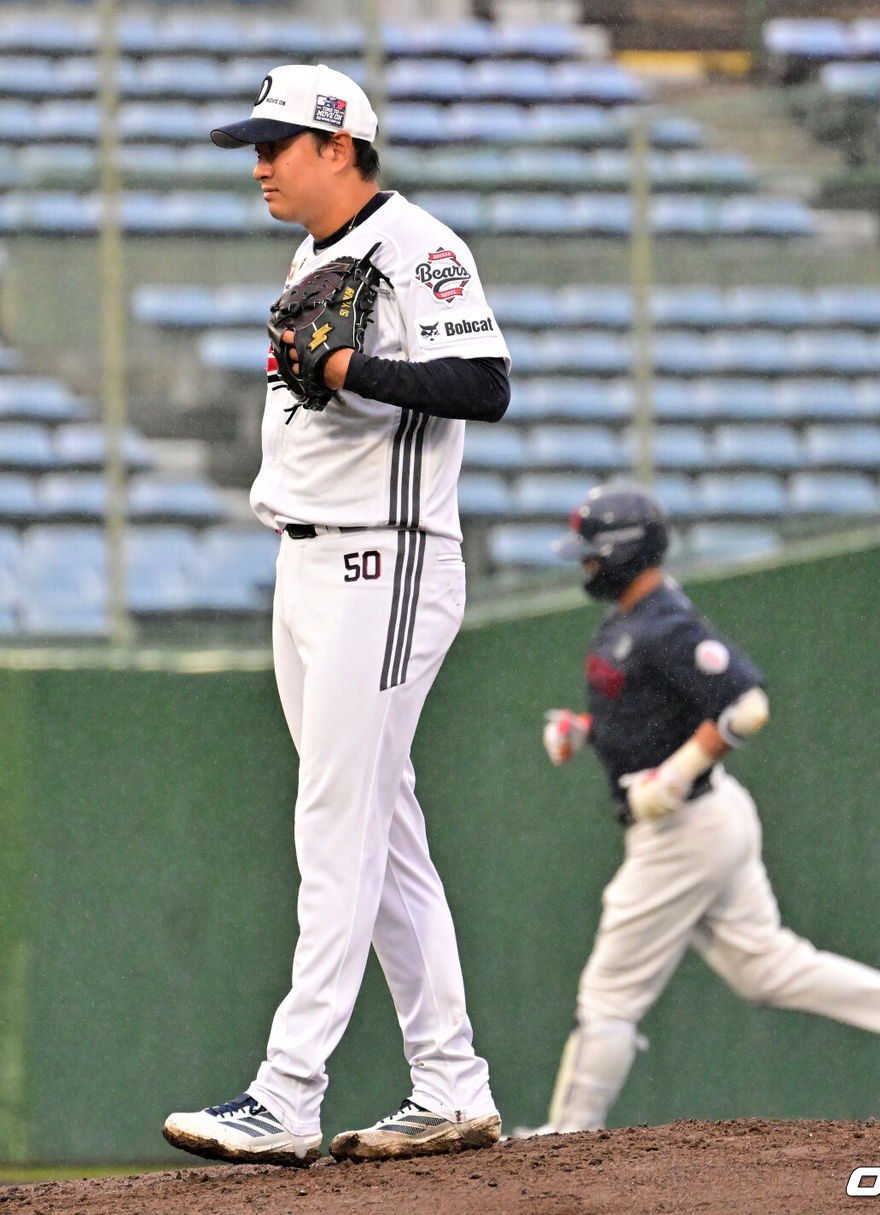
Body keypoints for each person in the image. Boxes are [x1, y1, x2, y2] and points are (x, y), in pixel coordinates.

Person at [162, 63, 510, 1168]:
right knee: (382, 830)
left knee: (337, 825)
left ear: (338, 145)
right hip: (307, 561)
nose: (259, 164)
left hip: (385, 558)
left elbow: (486, 385)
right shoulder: (309, 253)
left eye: (275, 144)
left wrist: (358, 361)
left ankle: (288, 1092)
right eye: (251, 146)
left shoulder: (418, 245)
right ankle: (451, 1085)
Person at [520, 480, 880, 1135]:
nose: (585, 563)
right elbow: (644, 716)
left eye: (593, 551)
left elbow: (746, 704)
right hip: (702, 822)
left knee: (608, 995)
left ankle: (568, 1137)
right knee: (768, 967)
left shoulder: (664, 621)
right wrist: (585, 729)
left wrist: (680, 773)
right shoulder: (630, 618)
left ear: (626, 549)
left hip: (684, 829)